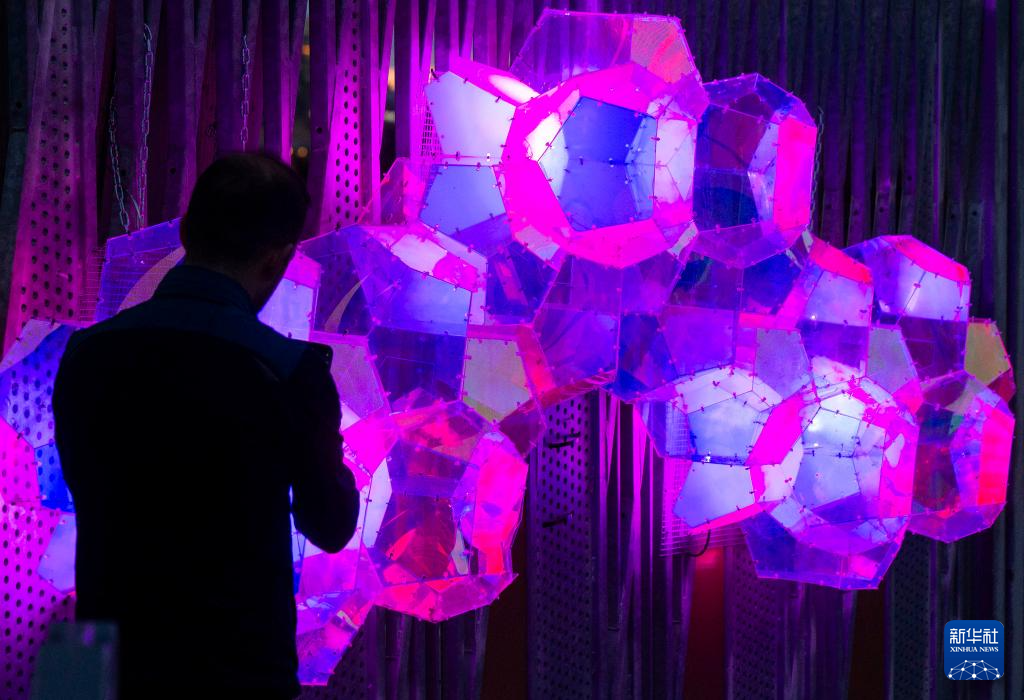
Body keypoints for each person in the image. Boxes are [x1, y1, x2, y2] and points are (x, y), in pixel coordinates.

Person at [53, 153, 360, 699]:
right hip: (233, 667)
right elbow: (332, 526)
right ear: (276, 259)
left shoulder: (87, 353)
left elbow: (85, 484)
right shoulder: (291, 372)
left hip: (98, 662)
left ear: (187, 232)